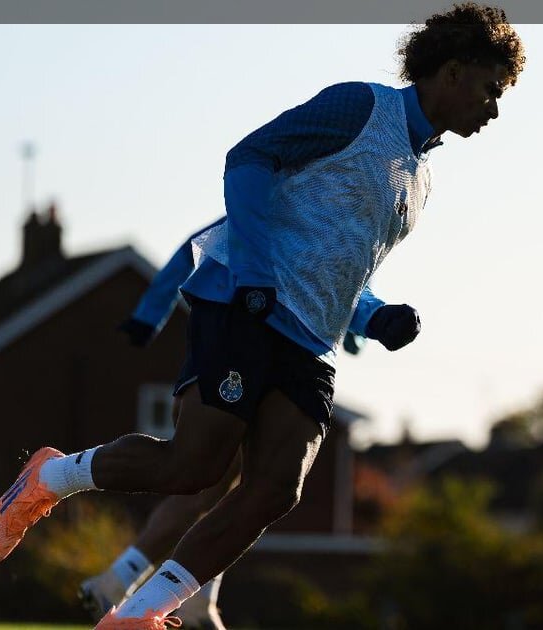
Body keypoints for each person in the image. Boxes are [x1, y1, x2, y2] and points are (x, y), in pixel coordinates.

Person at [0, 5, 526, 629]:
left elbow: (343, 270)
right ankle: (50, 477)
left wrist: (375, 318)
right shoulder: (360, 107)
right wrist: (256, 273)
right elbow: (248, 157)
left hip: (311, 342)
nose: (494, 110)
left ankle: (137, 616)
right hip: (246, 305)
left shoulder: (420, 182)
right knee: (194, 467)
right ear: (452, 71)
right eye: (490, 89)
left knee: (276, 490)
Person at [81, 222, 368, 629]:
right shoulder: (274, 207)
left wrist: (357, 325)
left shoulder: (340, 224)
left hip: (274, 363)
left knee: (229, 488)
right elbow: (193, 249)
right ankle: (130, 583)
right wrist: (149, 312)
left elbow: (349, 288)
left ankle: (164, 589)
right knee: (213, 480)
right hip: (238, 355)